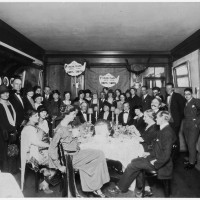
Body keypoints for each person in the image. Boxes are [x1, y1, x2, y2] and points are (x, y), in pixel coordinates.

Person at [48, 106, 110, 197]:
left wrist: (76, 138)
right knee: (98, 156)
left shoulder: (68, 125)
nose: (75, 116)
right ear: (66, 115)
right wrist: (59, 166)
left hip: (76, 153)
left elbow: (69, 140)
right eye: (73, 114)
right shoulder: (60, 129)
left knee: (97, 157)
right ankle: (96, 188)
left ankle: (95, 187)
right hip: (70, 158)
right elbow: (52, 148)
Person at [113, 111, 176, 197]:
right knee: (134, 160)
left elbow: (166, 154)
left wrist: (156, 162)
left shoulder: (166, 132)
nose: (156, 118)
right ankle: (144, 188)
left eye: (157, 117)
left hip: (161, 163)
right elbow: (158, 147)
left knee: (133, 165)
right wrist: (149, 153)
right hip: (156, 157)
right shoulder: (164, 129)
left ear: (162, 119)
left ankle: (121, 188)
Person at [21, 109, 54, 193]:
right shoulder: (29, 128)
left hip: (34, 152)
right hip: (32, 157)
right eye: (35, 116)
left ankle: (45, 174)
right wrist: (49, 145)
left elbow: (38, 139)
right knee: (56, 160)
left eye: (37, 115)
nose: (37, 117)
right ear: (29, 117)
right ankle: (45, 182)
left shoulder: (31, 125)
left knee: (54, 157)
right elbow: (36, 142)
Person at [0, 85, 18, 173]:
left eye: (7, 92)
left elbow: (13, 117)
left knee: (12, 150)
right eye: (3, 93)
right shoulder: (0, 104)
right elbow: (2, 120)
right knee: (5, 151)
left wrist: (14, 129)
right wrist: (11, 130)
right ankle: (6, 170)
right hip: (4, 132)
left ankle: (12, 169)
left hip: (12, 130)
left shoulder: (9, 103)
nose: (6, 94)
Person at [182, 88, 200, 170]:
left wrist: (197, 122)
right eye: (185, 94)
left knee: (191, 144)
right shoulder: (186, 103)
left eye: (188, 94)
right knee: (188, 143)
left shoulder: (196, 101)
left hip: (193, 125)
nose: (186, 95)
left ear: (191, 94)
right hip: (186, 125)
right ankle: (192, 159)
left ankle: (192, 163)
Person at [165, 83, 185, 148]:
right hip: (169, 121)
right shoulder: (166, 96)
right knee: (170, 136)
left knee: (175, 137)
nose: (168, 90)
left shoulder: (178, 96)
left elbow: (182, 108)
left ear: (173, 89)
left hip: (175, 121)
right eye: (167, 88)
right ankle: (171, 153)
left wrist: (178, 119)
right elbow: (169, 107)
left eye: (169, 88)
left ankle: (176, 155)